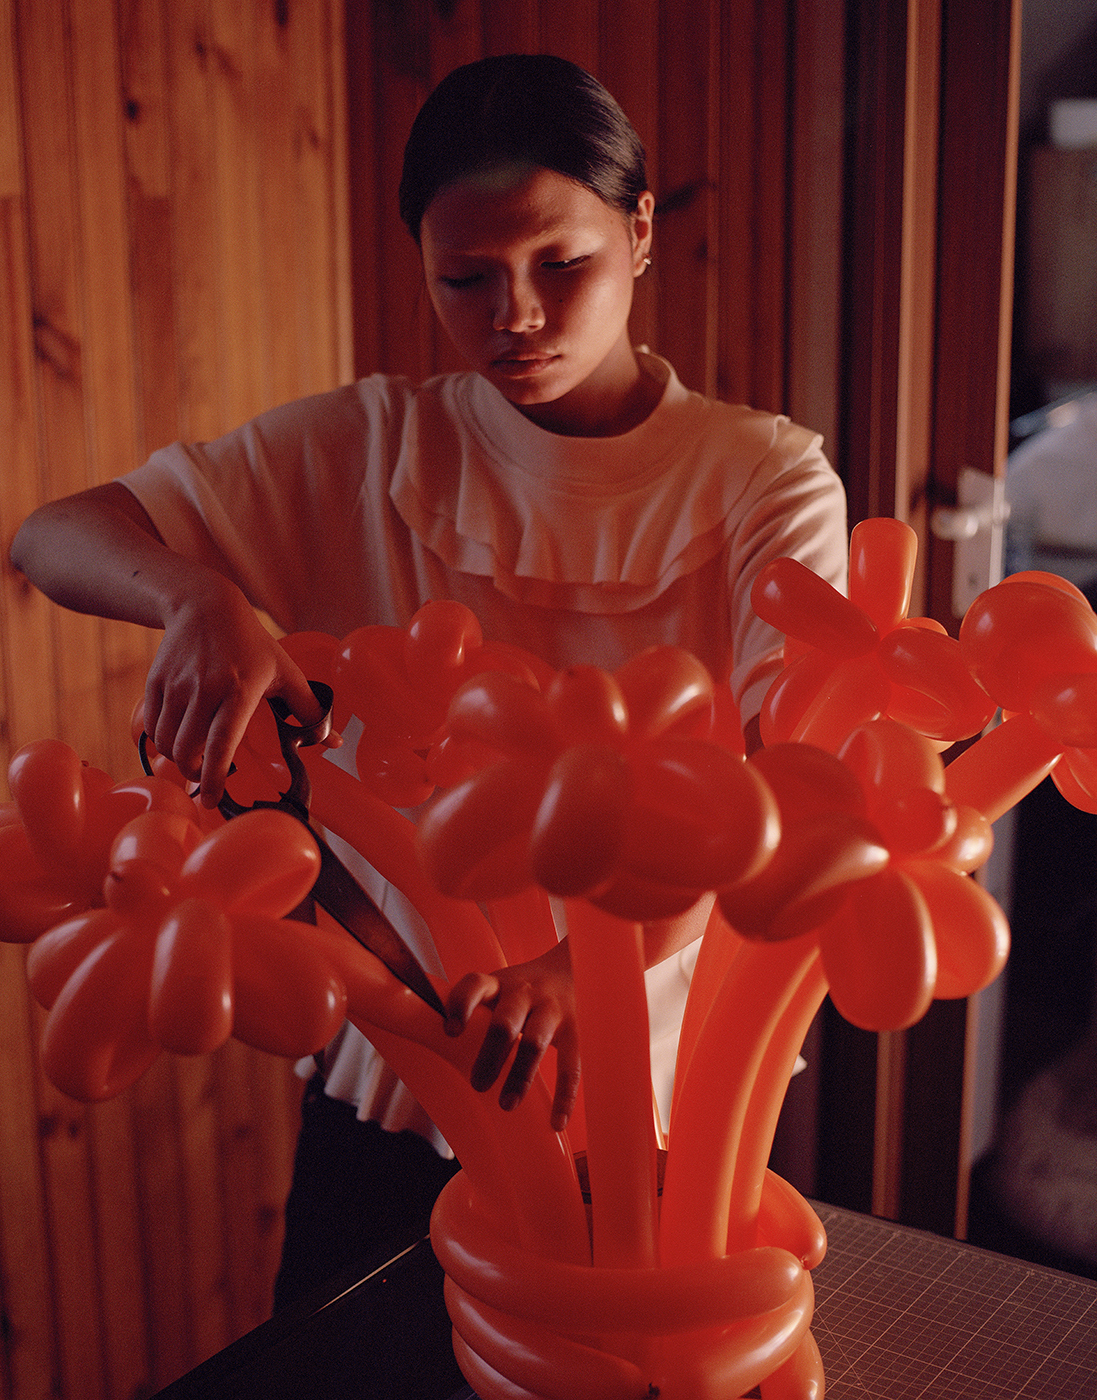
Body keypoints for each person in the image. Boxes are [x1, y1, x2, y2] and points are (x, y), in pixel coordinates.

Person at [10, 53, 848, 1307]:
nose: (513, 313)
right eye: (465, 278)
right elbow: (49, 534)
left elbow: (783, 792)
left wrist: (581, 974)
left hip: (664, 1089)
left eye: (558, 266)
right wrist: (197, 597)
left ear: (637, 235)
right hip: (397, 1068)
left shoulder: (761, 482)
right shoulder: (368, 442)